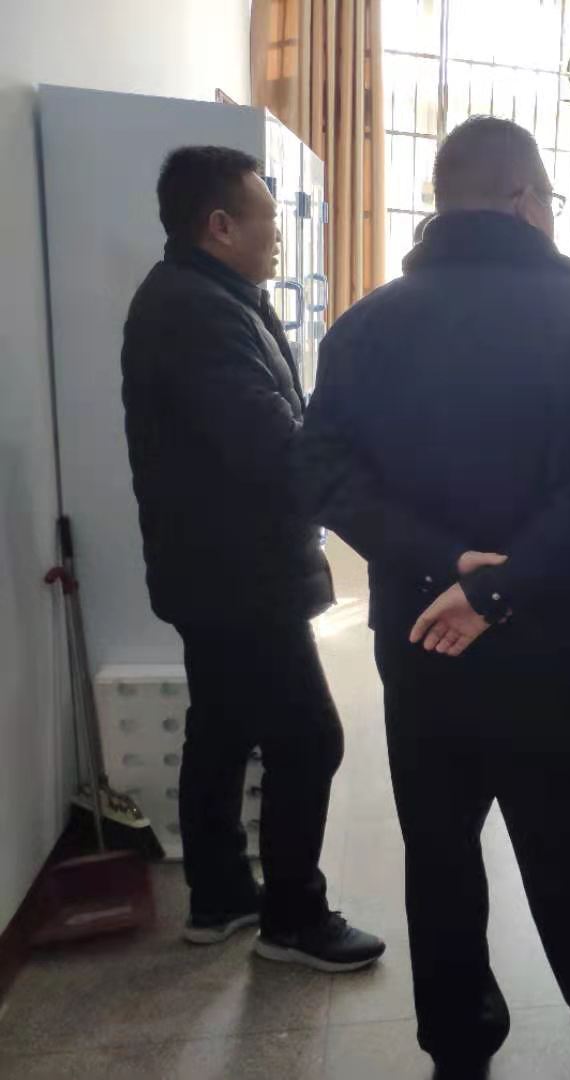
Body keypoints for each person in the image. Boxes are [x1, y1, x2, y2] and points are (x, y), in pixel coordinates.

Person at [298, 117, 570, 1079]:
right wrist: (499, 588)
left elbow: (325, 476)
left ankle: (459, 1045)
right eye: (549, 197)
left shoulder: (364, 324)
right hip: (551, 647)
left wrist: (444, 565)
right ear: (524, 198)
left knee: (440, 854)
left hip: (421, 643)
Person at [119, 146, 384, 971]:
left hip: (213, 568)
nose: (278, 233)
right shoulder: (196, 311)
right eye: (267, 217)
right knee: (310, 738)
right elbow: (271, 442)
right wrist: (377, 511)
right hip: (239, 577)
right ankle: (294, 920)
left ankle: (222, 895)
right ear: (220, 225)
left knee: (223, 726)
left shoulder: (209, 296)